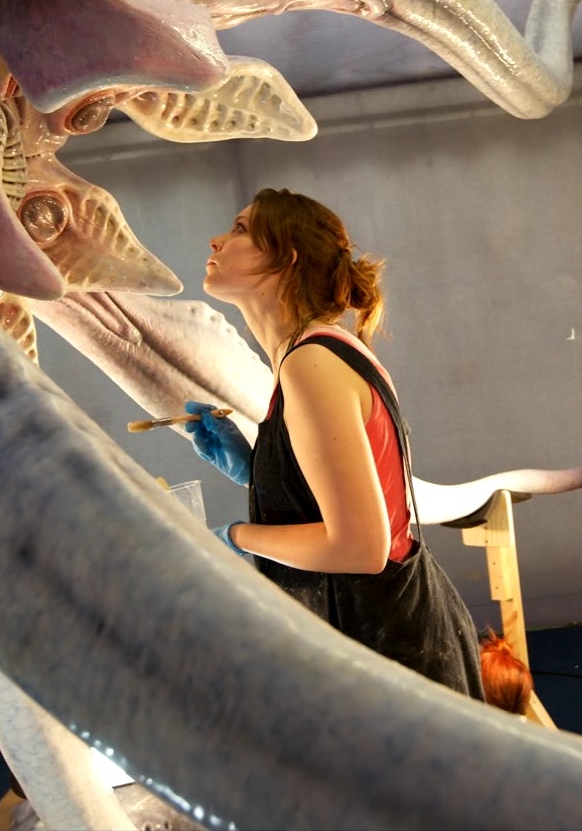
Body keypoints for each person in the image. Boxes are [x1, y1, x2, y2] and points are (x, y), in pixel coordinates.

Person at [181, 188, 484, 699]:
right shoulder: (314, 352)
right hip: (387, 637)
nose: (216, 240)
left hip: (388, 652)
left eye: (240, 229)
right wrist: (258, 472)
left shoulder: (311, 363)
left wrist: (233, 537)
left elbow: (359, 547)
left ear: (287, 257)